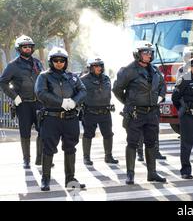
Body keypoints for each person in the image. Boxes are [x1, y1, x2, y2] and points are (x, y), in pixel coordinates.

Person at [113, 41, 166, 185]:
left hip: (152, 113)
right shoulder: (128, 70)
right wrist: (129, 103)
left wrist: (160, 97)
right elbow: (117, 89)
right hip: (135, 113)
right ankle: (130, 174)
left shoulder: (155, 70)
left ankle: (152, 173)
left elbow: (162, 85)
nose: (148, 55)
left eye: (150, 52)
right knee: (132, 143)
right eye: (145, 52)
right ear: (138, 54)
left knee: (151, 143)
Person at [35, 47, 87, 191]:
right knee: (48, 148)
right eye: (56, 60)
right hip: (52, 118)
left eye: (62, 60)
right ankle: (45, 179)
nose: (59, 63)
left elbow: (83, 90)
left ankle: (70, 179)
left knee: (71, 148)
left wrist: (74, 101)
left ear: (66, 61)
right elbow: (41, 93)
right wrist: (61, 102)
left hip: (70, 118)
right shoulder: (44, 76)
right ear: (51, 61)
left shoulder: (72, 77)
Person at [0, 35, 44, 169]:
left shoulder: (37, 63)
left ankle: (40, 158)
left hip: (38, 102)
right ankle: (26, 159)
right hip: (23, 103)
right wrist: (14, 97)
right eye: (25, 47)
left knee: (43, 131)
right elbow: (3, 82)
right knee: (25, 132)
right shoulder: (13, 65)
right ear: (19, 49)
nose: (28, 49)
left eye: (30, 46)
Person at [80, 58, 118, 166]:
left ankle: (108, 156)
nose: (98, 68)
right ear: (90, 67)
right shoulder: (83, 80)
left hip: (105, 111)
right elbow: (79, 94)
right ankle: (86, 157)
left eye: (100, 65)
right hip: (90, 111)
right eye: (95, 66)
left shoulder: (106, 78)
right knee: (88, 134)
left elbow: (108, 94)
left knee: (108, 134)